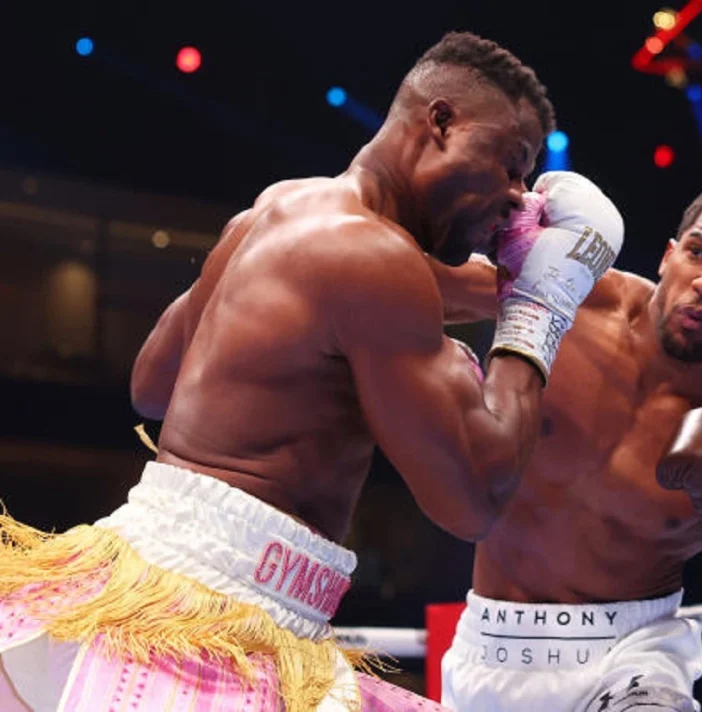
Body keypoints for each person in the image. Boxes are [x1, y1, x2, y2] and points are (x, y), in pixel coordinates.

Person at [0, 32, 624, 712]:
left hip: (154, 574)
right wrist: (538, 307)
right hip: (213, 620)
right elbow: (472, 499)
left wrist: (515, 278)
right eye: (511, 163)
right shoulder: (375, 260)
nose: (515, 196)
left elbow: (152, 387)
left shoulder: (277, 210)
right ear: (441, 121)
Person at [434, 181, 702, 711]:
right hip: (484, 648)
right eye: (698, 252)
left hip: (630, 657)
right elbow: (394, 277)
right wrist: (483, 219)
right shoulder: (569, 297)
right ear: (670, 255)